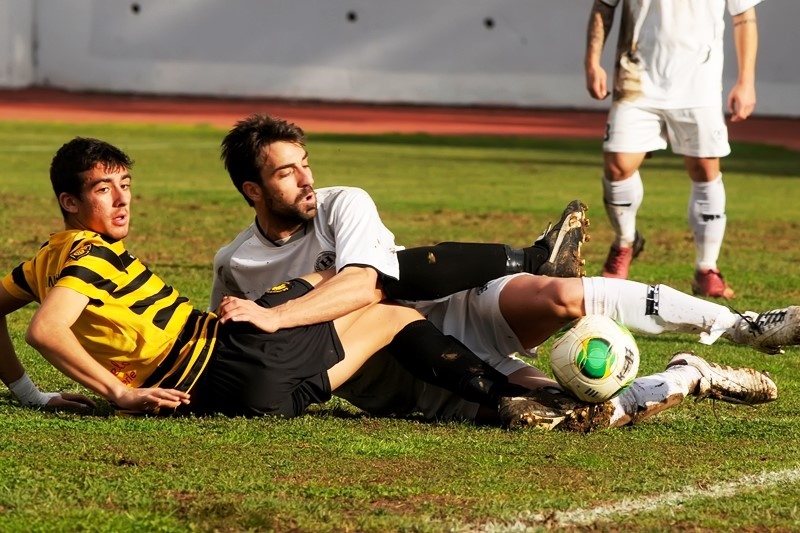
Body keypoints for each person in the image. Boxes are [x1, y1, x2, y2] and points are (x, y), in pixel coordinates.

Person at [210, 113, 794, 428]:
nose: (308, 180)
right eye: (287, 173)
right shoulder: (235, 265)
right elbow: (231, 353)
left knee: (562, 295)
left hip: (449, 305)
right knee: (580, 412)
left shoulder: (343, 203)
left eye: (306, 164)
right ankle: (690, 376)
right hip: (409, 375)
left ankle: (743, 326)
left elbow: (366, 284)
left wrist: (278, 316)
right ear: (252, 190)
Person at [1, 136, 561, 420]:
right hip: (232, 357)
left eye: (125, 185)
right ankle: (531, 261)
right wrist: (119, 392)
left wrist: (28, 395)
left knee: (390, 316)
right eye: (104, 190)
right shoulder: (91, 254)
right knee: (369, 283)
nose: (123, 200)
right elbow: (45, 329)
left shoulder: (45, 260)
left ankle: (512, 403)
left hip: (234, 400)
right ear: (69, 201)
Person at [584, 0, 762, 297]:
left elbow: (744, 16)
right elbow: (603, 6)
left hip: (699, 83)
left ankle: (707, 268)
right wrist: (592, 62)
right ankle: (625, 241)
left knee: (704, 169)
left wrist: (746, 81)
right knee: (617, 166)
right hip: (637, 75)